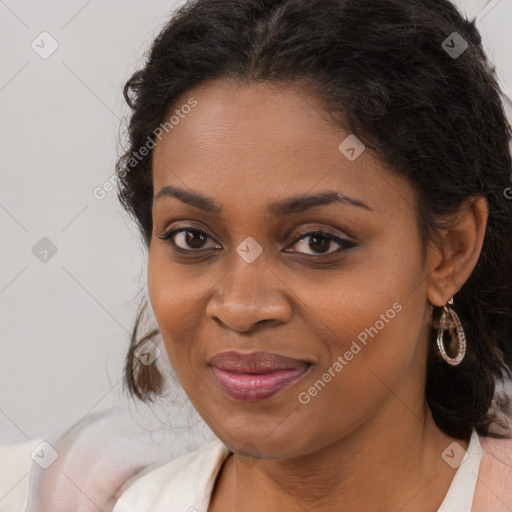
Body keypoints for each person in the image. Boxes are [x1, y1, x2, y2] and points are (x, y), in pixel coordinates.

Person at [2, 0, 512, 510]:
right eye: (193, 238)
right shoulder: (61, 493)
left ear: (450, 251)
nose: (241, 308)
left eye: (318, 242)